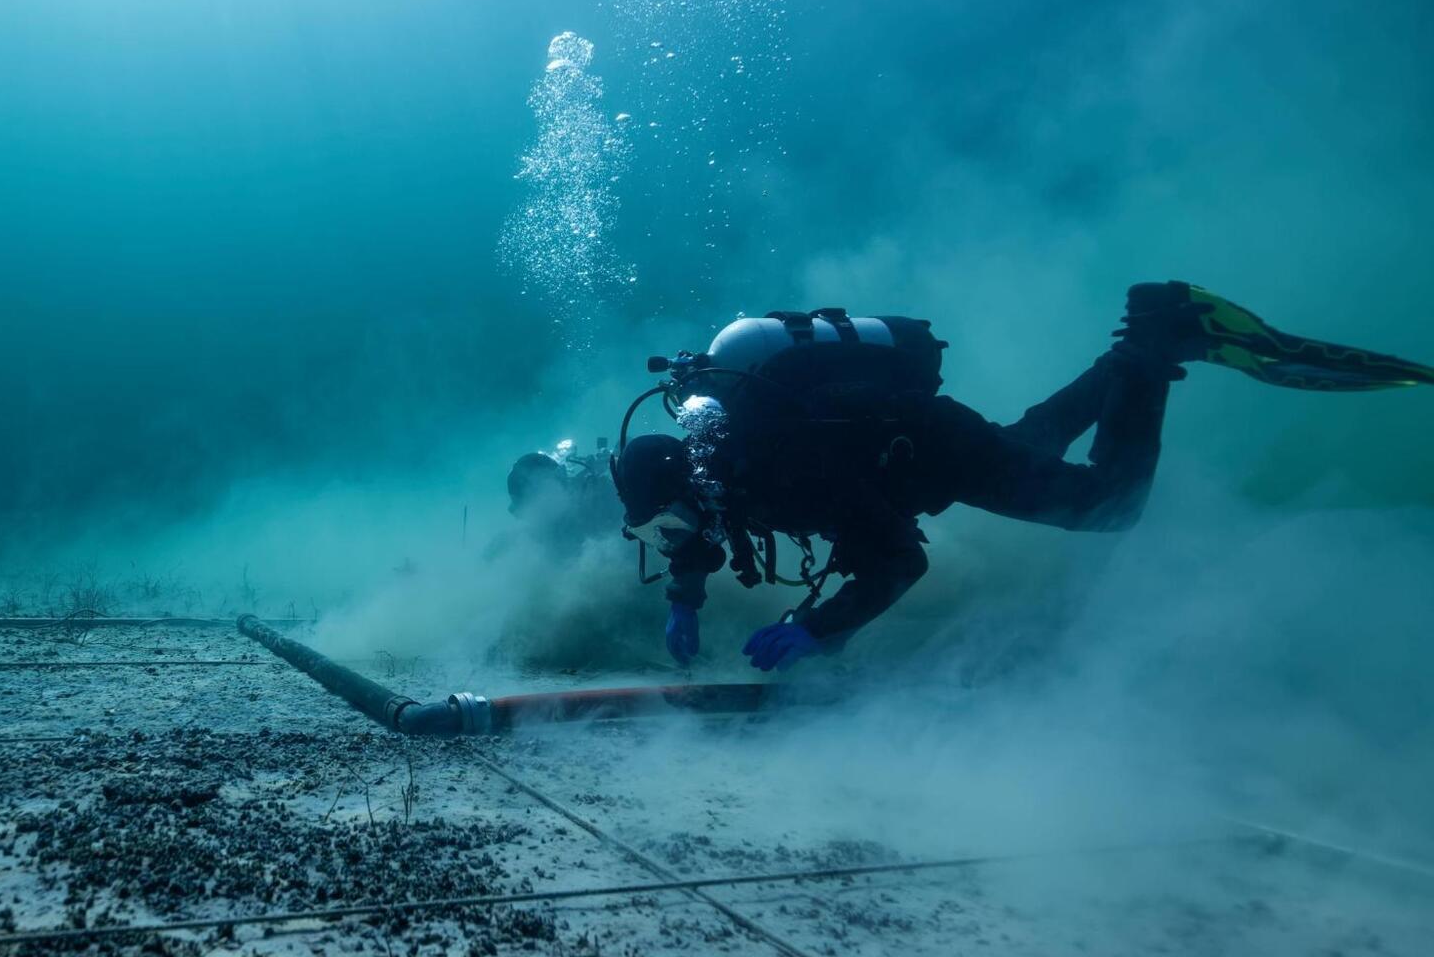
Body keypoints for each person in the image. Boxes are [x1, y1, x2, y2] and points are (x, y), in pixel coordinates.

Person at [613, 281, 1433, 673]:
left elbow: (900, 561)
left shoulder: (782, 471)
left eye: (670, 526)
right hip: (923, 449)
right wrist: (684, 603)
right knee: (1023, 442)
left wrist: (818, 629)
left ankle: (1152, 350)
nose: (678, 542)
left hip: (934, 453)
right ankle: (1124, 359)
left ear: (688, 480)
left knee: (1103, 508)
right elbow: (697, 536)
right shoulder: (715, 456)